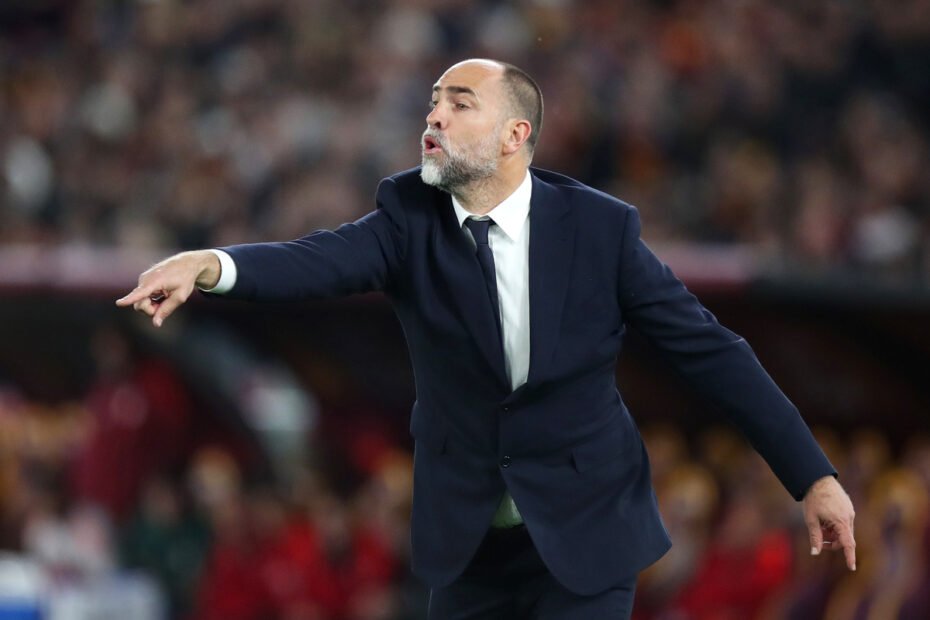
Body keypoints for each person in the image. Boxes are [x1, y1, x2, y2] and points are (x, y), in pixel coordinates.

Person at [117, 59, 856, 619]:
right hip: (469, 542)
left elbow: (711, 351)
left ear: (514, 135)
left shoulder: (600, 230)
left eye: (459, 102)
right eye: (433, 102)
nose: (434, 115)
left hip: (586, 529)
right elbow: (316, 261)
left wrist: (812, 477)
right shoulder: (407, 216)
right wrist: (211, 265)